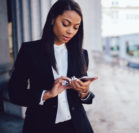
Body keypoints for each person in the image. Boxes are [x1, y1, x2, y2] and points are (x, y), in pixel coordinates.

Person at [8, 0, 97, 133]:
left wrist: (84, 91)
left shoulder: (82, 54)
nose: (70, 31)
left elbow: (85, 98)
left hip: (76, 125)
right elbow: (15, 93)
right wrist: (47, 94)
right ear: (52, 19)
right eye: (65, 24)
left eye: (75, 27)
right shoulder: (30, 50)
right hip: (40, 125)